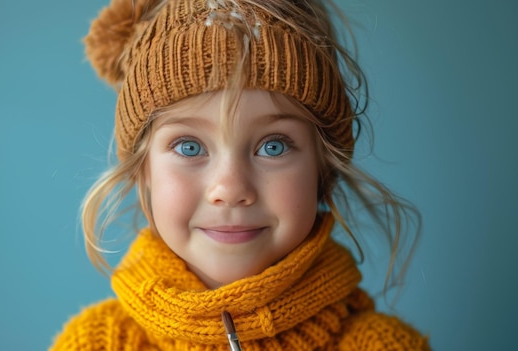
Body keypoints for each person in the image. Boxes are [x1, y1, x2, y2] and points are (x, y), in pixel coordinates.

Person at [51, 0, 430, 349]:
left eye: (273, 146)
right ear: (143, 169)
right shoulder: (96, 343)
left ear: (323, 166)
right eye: (189, 146)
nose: (230, 189)